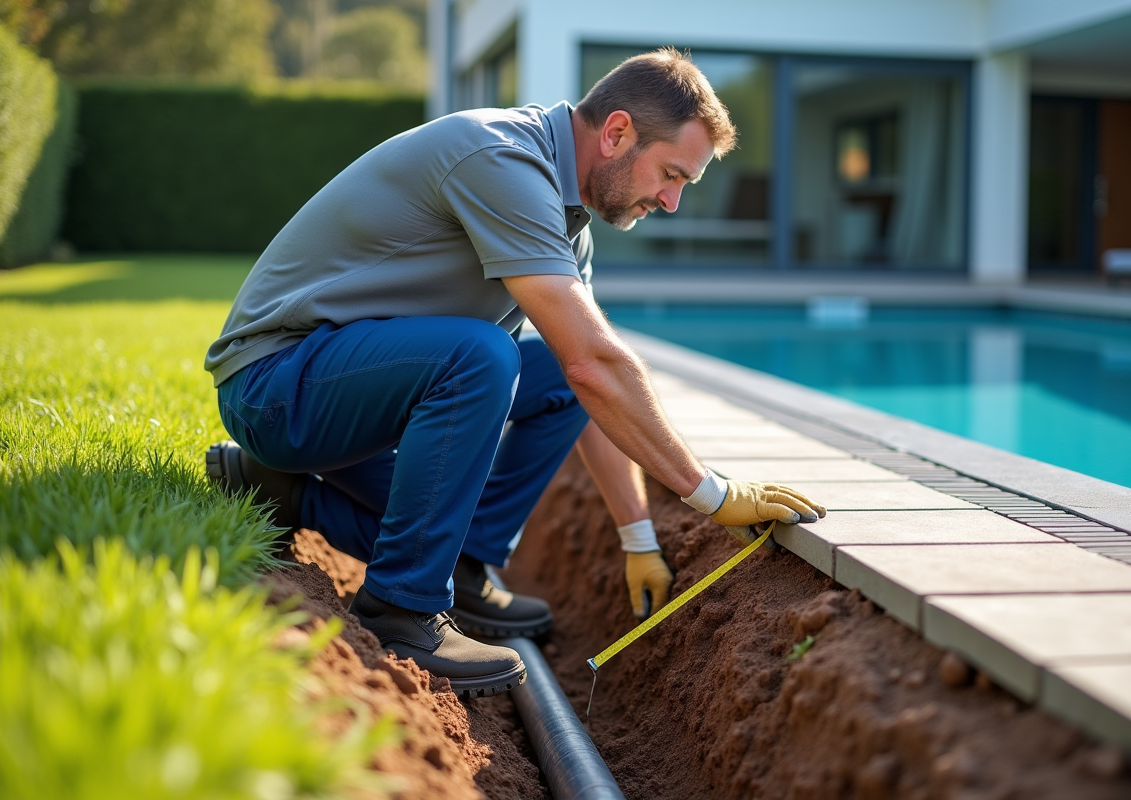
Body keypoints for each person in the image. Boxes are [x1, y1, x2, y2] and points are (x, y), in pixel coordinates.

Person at [204, 48, 825, 699]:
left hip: (344, 392)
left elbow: (582, 375)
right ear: (616, 133)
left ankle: (428, 553)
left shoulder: (569, 220)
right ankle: (401, 607)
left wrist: (638, 535)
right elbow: (599, 366)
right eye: (671, 174)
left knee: (546, 366)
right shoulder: (500, 158)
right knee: (482, 356)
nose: (671, 201)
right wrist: (713, 495)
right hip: (274, 388)